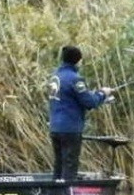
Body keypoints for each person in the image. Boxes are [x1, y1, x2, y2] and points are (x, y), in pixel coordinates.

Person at [47, 45, 112, 181]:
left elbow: (69, 98)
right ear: (78, 61)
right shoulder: (75, 79)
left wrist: (94, 95)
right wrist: (102, 93)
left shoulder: (55, 77)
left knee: (59, 165)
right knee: (70, 166)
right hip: (70, 129)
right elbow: (90, 103)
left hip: (55, 127)